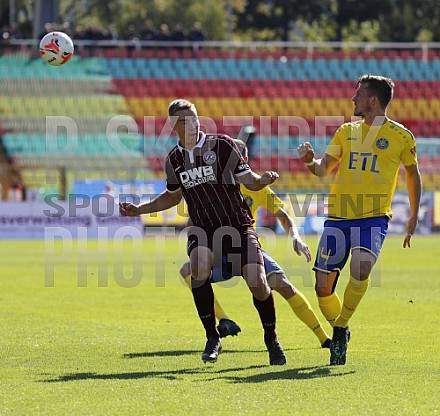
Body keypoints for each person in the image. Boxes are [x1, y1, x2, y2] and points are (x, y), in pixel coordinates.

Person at [120, 99, 286, 365]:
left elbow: (249, 180)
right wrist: (140, 209)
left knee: (258, 282)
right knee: (198, 267)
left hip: (237, 224)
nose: (194, 123)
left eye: (195, 117)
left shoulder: (222, 145)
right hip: (203, 229)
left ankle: (272, 339)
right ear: (175, 125)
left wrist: (262, 180)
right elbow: (172, 196)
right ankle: (212, 337)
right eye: (186, 120)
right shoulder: (174, 160)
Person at [298, 74, 422, 365]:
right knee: (322, 287)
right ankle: (342, 327)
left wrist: (414, 214)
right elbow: (322, 170)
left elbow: (412, 174)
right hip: (339, 217)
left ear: (373, 100)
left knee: (362, 267)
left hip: (373, 218)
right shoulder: (346, 132)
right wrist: (309, 161)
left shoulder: (402, 136)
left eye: (358, 94)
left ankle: (340, 328)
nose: (353, 99)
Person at [179, 139, 331, 348]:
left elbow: (283, 215)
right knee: (189, 271)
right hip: (221, 252)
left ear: (244, 159)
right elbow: (192, 221)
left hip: (247, 248)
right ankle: (224, 320)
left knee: (283, 285)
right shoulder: (212, 185)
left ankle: (324, 338)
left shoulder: (257, 186)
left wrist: (296, 237)